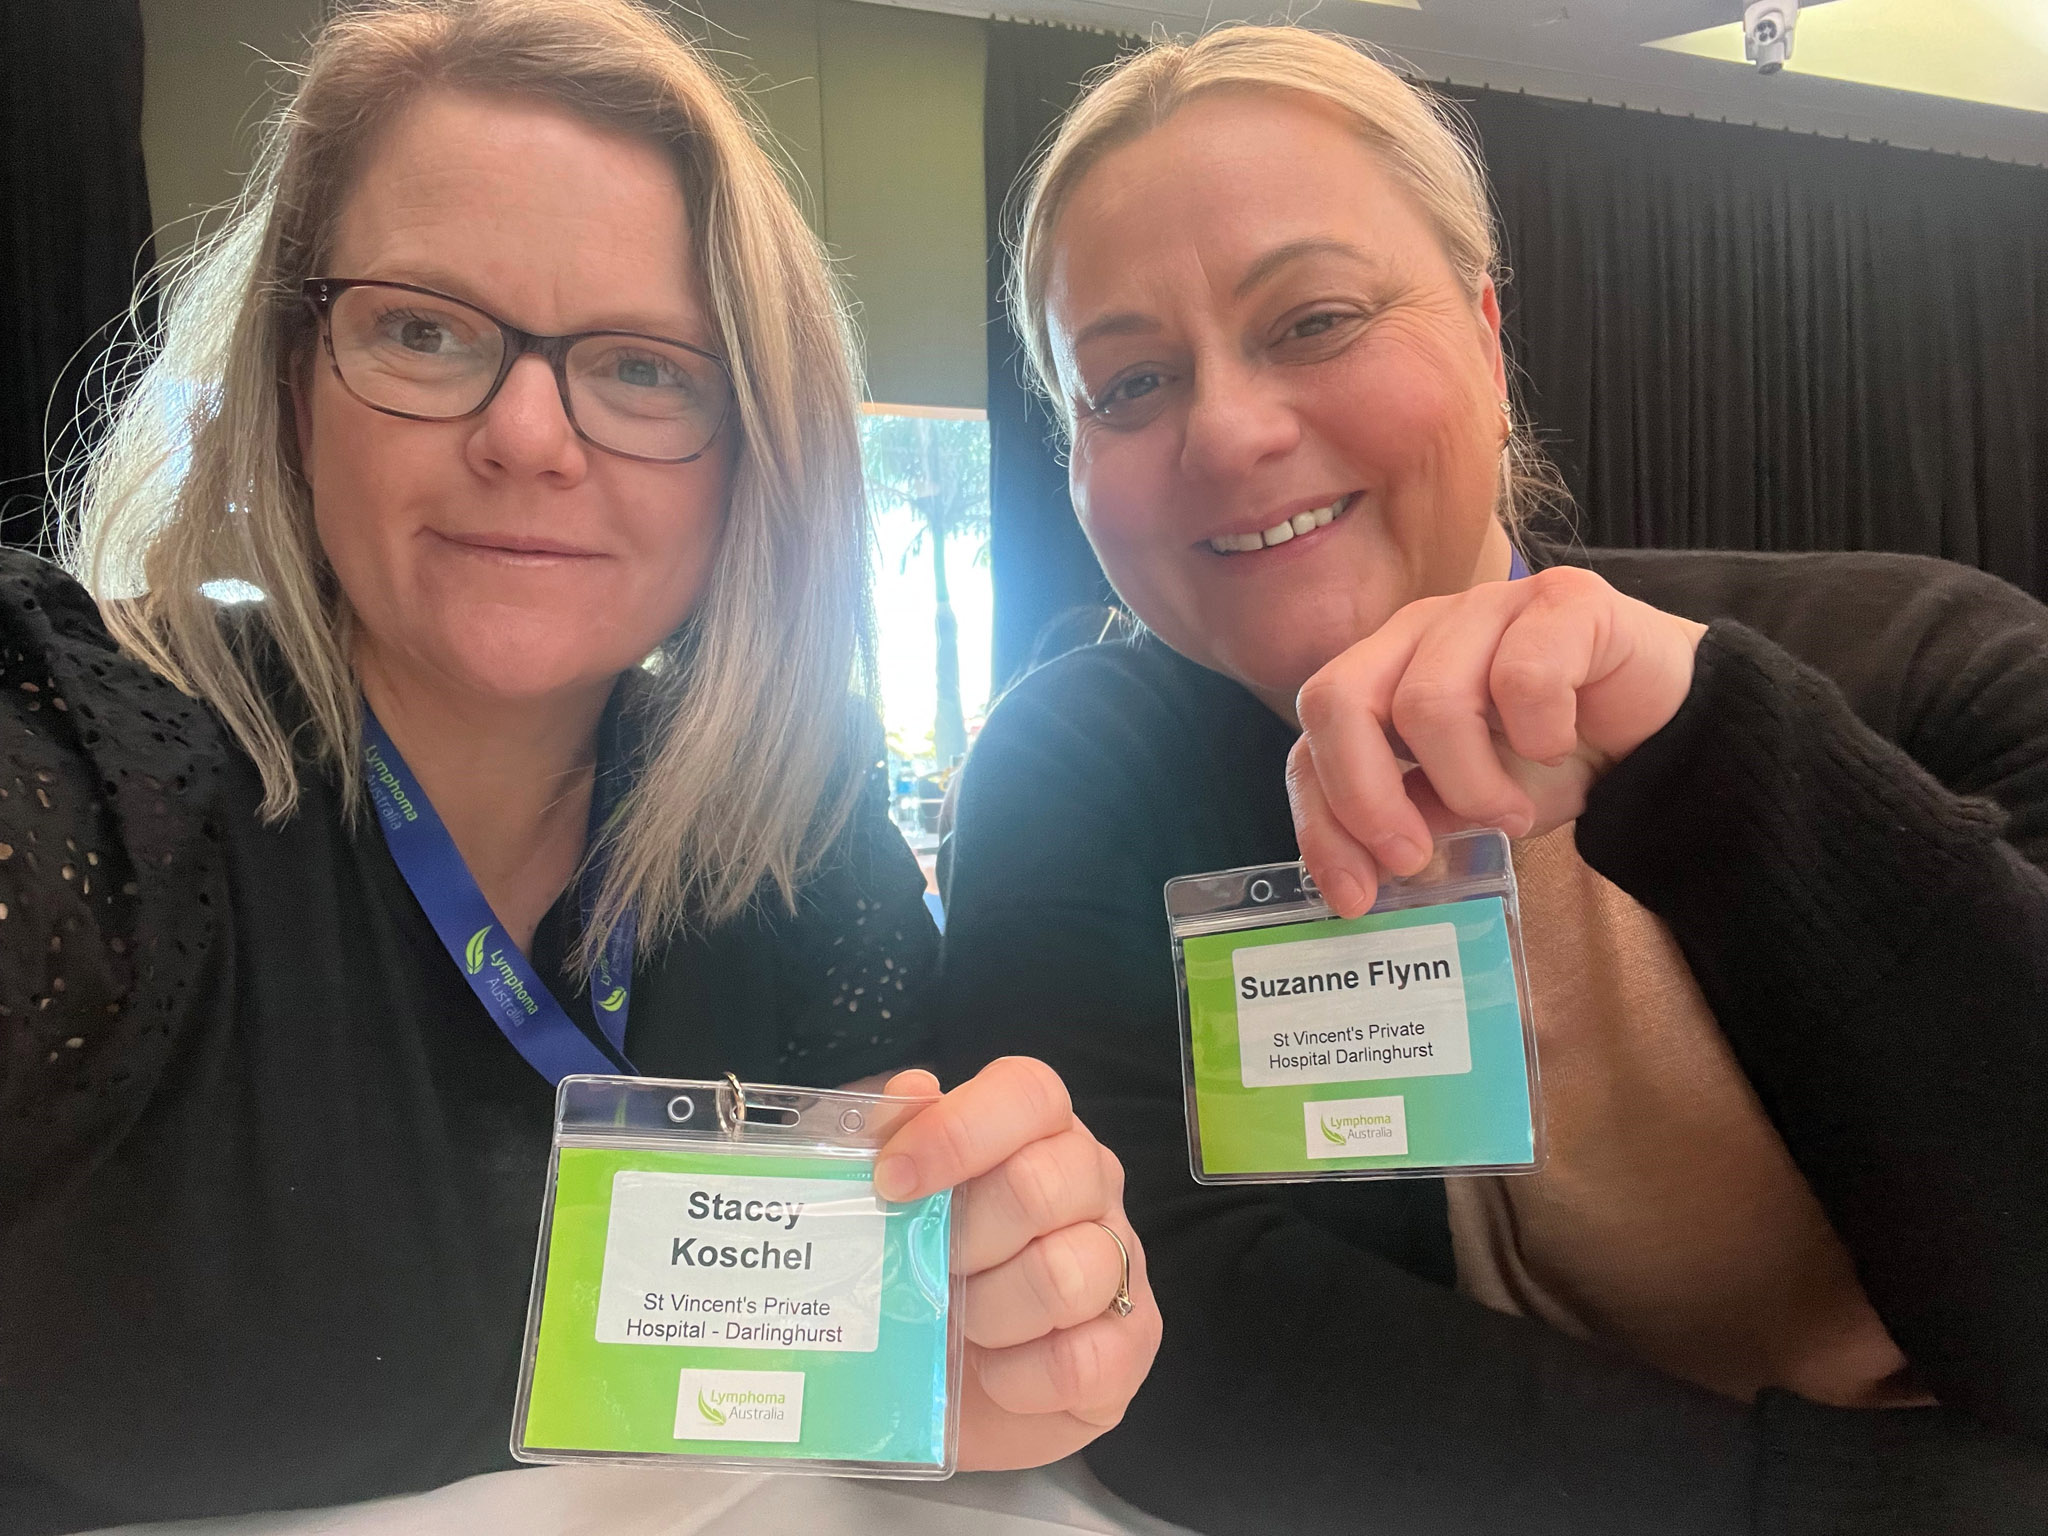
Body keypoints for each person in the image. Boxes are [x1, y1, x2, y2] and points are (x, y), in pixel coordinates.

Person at [0, 3, 1159, 1531]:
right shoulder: (81, 778)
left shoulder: (795, 847)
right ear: (294, 380)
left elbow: (911, 1319)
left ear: (754, 449)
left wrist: (1013, 1323)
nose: (531, 436)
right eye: (423, 329)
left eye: (644, 367)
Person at [937, 24, 2048, 1536]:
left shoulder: (1933, 667)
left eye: (1314, 319)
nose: (1231, 430)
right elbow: (1170, 1330)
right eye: (1126, 384)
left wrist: (1716, 753)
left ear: (1483, 331)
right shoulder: (1084, 773)